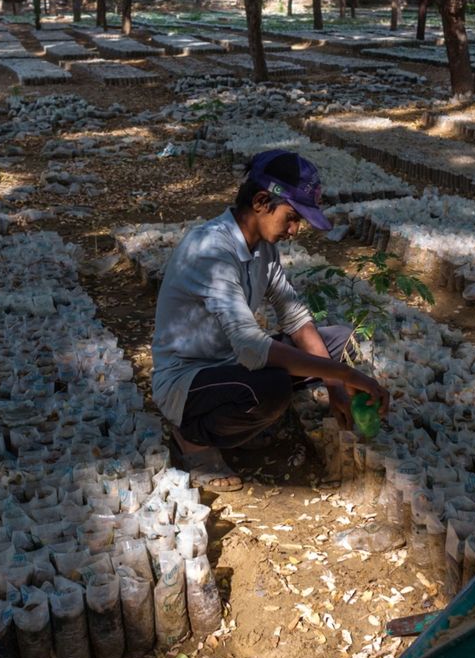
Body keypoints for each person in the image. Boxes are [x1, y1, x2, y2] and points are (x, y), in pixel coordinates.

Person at [150, 150, 390, 491]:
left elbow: (296, 319)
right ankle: (192, 437)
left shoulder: (263, 249)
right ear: (262, 201)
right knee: (270, 388)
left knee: (337, 340)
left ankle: (242, 419)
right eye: (291, 217)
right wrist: (346, 373)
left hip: (230, 365)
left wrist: (336, 386)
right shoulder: (211, 251)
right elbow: (250, 346)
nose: (294, 230)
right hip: (188, 379)